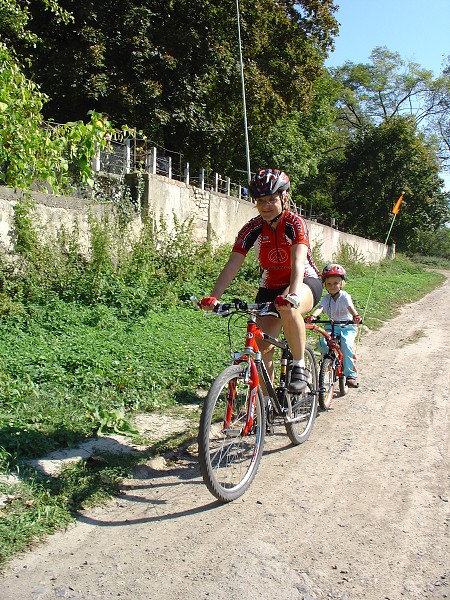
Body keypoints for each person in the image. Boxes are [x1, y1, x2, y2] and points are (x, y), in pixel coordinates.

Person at [200, 168, 322, 393]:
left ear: (284, 198)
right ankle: (265, 407)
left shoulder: (294, 224)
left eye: (271, 200)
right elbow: (232, 264)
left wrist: (293, 295)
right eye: (260, 201)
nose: (266, 206)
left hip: (304, 281)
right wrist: (214, 297)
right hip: (269, 287)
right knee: (262, 349)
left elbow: (297, 263)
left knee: (287, 305)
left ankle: (299, 367)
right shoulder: (252, 228)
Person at [307, 263, 361, 388]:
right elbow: (321, 307)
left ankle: (350, 375)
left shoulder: (345, 296)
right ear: (324, 285)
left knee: (346, 345)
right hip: (332, 327)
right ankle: (329, 361)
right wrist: (313, 316)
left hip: (347, 327)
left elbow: (350, 307)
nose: (332, 286)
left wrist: (356, 316)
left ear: (342, 283)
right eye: (329, 284)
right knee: (323, 343)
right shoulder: (327, 298)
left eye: (336, 283)